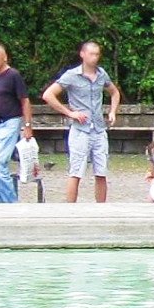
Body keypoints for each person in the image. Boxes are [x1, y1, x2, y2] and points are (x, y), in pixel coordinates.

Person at [43, 41, 121, 204]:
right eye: (91, 54)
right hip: (80, 130)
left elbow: (114, 92)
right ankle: (71, 210)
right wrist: (70, 113)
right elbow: (48, 95)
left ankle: (101, 208)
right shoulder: (72, 75)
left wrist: (112, 111)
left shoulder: (102, 74)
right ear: (82, 54)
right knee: (76, 171)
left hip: (99, 129)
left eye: (97, 54)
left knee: (101, 172)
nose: (94, 58)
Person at [0, 43, 34, 204]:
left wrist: (28, 126)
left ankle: (11, 204)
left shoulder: (13, 75)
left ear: (4, 57)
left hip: (9, 123)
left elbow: (25, 101)